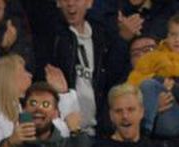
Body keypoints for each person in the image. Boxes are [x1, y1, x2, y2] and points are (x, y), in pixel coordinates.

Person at [33, 0, 127, 136]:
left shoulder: (102, 35)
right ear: (58, 3)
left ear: (89, 3)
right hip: (64, 131)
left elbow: (112, 78)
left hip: (98, 130)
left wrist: (122, 40)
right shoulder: (51, 36)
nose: (71, 3)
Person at [128, 11, 179, 138]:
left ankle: (143, 133)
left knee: (168, 124)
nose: (177, 39)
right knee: (148, 84)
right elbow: (132, 82)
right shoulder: (152, 57)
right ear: (167, 36)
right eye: (173, 34)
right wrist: (158, 80)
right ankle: (143, 130)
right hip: (153, 110)